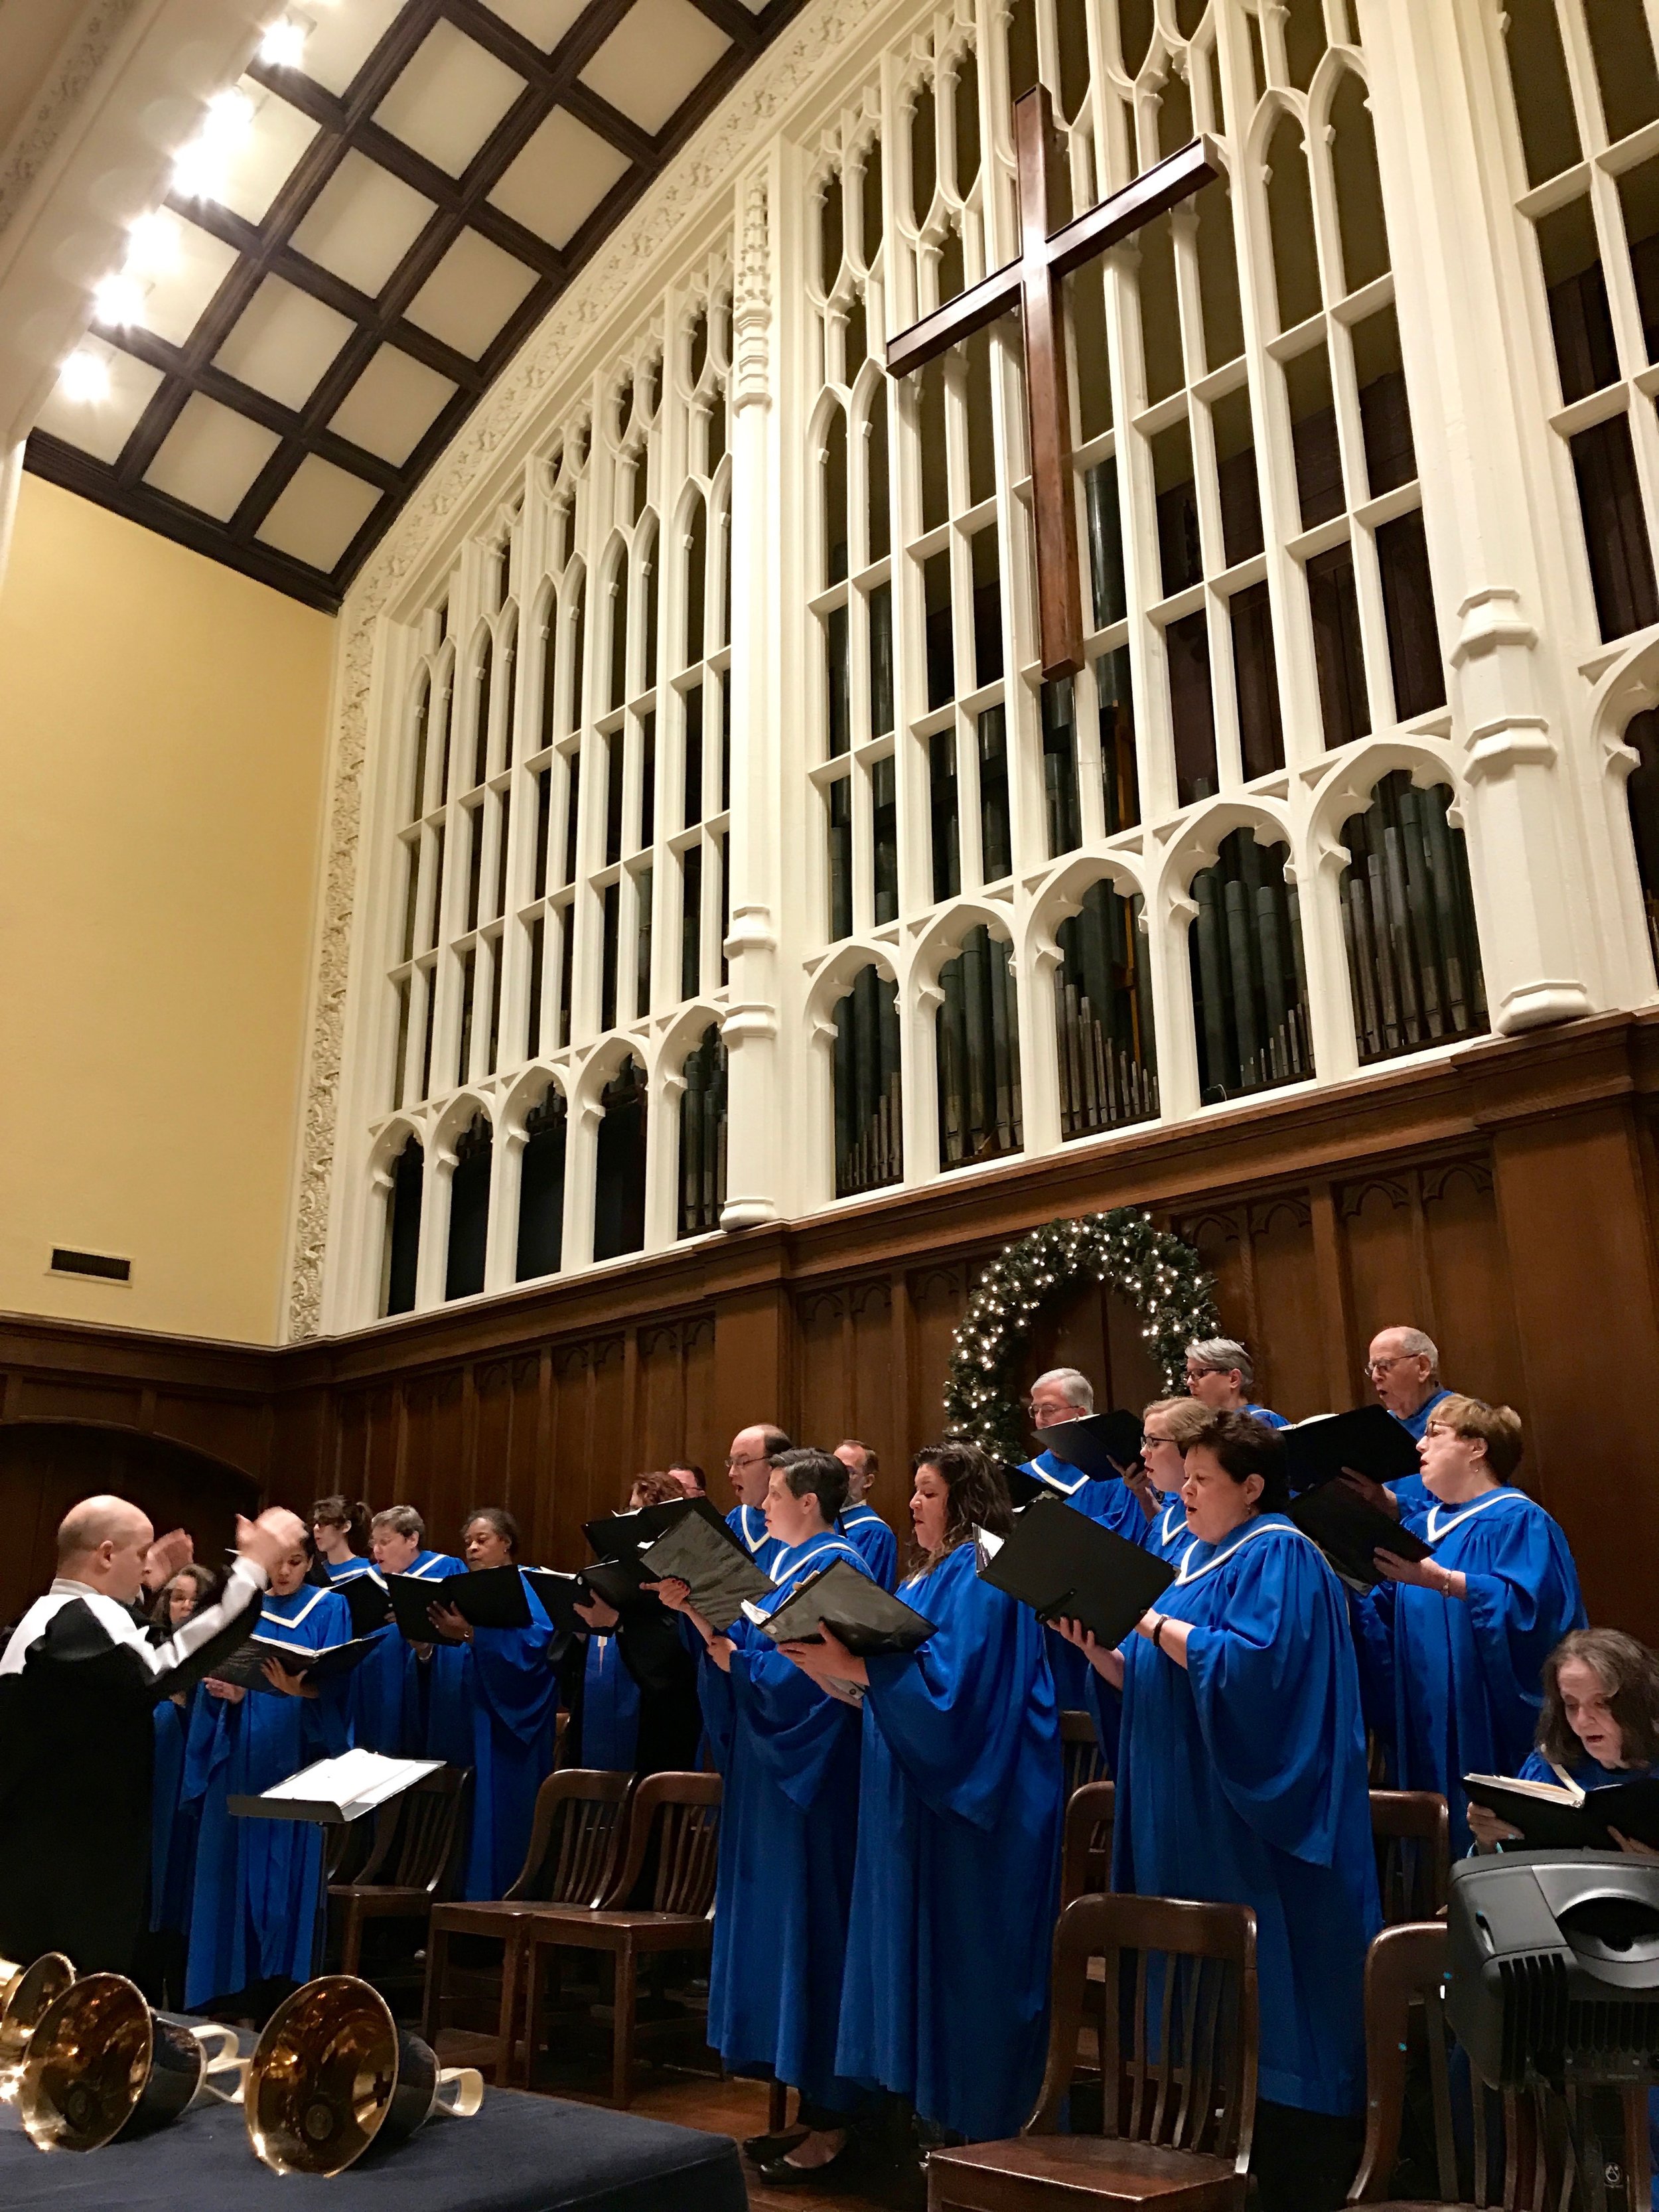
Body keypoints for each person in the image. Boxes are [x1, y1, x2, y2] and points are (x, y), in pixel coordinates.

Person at [1060, 1412, 1381, 2212]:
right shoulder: (1186, 1558)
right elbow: (1157, 1679)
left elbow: (1257, 1675)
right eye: (1187, 1478)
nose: (1187, 1491)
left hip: (1248, 1819)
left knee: (1269, 1986)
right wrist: (1097, 1649)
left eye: (1202, 1479)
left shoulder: (1280, 1552)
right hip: (1182, 1801)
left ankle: (1290, 2158)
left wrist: (1148, 1621)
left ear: (1250, 1487)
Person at [784, 1441, 1064, 2150]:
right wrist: (834, 1672)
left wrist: (863, 1670)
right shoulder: (924, 1578)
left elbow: (955, 1695)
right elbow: (895, 1686)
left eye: (928, 1492)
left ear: (965, 1500)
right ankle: (932, 2136)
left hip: (977, 1805)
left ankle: (990, 2139)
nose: (912, 1505)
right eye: (912, 1491)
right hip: (920, 1793)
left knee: (974, 1971)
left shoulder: (984, 1567)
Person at [654, 1448, 874, 2185]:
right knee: (784, 1937)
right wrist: (696, 1613)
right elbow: (744, 1652)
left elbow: (811, 1678)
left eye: (774, 1491)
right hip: (766, 1783)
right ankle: (808, 2111)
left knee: (815, 1933)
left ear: (809, 1501)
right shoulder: (779, 1566)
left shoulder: (835, 1566)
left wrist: (738, 1662)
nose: (763, 1502)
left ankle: (838, 2118)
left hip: (810, 1789)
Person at [0, 1495, 303, 1977]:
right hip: (72, 1863)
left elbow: (129, 1654)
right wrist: (250, 1571)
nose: (146, 1570)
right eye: (138, 1556)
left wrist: (146, 1587)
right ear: (105, 1554)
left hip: (45, 1851)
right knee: (72, 2005)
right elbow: (164, 1664)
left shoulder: (51, 1615)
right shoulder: (79, 1617)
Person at [1358, 1396, 1585, 1854]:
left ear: (1477, 1447)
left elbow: (1537, 1614)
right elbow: (1385, 1612)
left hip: (1485, 1711)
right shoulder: (1422, 1527)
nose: (1419, 1444)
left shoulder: (1519, 1519)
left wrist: (1443, 1581)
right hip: (1425, 1708)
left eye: (1434, 1433)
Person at [181, 1526, 355, 2011]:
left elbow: (335, 1684)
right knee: (229, 1872)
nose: (283, 1573)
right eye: (276, 1562)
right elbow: (211, 1676)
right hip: (238, 1754)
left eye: (295, 1562)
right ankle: (225, 1991)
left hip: (292, 1756)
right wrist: (231, 1694)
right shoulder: (241, 1606)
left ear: (308, 1561)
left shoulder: (327, 1608)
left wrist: (303, 1692)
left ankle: (279, 1988)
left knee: (283, 1885)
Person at [425, 1507, 560, 1900]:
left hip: (508, 1729)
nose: (472, 1547)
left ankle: (498, 1908)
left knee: (499, 1820)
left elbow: (538, 1647)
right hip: (466, 1721)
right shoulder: (461, 1591)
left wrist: (472, 1635)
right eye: (468, 1541)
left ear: (507, 1543)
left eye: (482, 1540)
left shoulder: (527, 1585)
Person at [1468, 1627, 1659, 1854]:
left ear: (1637, 1703)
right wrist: (1486, 1842)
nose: (1582, 1721)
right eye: (1571, 1705)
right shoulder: (1546, 1768)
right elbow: (1508, 1871)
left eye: (1601, 1703)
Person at [569, 1473, 700, 1773]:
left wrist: (616, 1622)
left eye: (640, 1511)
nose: (629, 1518)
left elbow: (678, 1653)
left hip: (659, 1722)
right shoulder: (614, 1569)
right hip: (601, 1708)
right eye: (629, 1510)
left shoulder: (687, 1573)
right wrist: (579, 1631)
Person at [141, 1564, 221, 2005]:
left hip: (188, 1787)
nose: (185, 1606)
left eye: (195, 1599)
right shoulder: (146, 1646)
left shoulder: (214, 1656)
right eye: (178, 1597)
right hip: (150, 1786)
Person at [362, 1504, 462, 1755]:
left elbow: (460, 1640)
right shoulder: (367, 1583)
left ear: (412, 1539)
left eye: (385, 1542)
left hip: (428, 1689)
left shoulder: (448, 1570)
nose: (376, 1550)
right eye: (374, 1543)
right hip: (379, 1687)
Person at [1367, 1327, 1453, 1516]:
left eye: (1384, 1365)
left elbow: (1470, 1514)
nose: (1375, 1377)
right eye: (1372, 1368)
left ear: (1422, 1367)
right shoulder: (1377, 1427)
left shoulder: (1463, 1424)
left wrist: (1393, 1504)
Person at [1135, 1397, 1212, 1562]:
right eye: (1145, 1442)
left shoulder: (1216, 1530)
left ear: (1190, 1446)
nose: (1143, 1452)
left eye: (1154, 1443)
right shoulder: (1162, 1523)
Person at [725, 1424, 791, 1574]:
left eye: (743, 1462)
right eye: (731, 1463)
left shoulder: (802, 1522)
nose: (732, 1473)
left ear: (775, 1465)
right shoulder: (736, 1520)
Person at [833, 1440, 899, 1590]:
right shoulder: (821, 1520)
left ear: (868, 1481)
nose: (836, 1479)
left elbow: (861, 1593)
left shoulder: (875, 1533)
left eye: (848, 1472)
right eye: (834, 1469)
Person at [1183, 1338, 1288, 1427]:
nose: (1189, 1382)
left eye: (1199, 1373)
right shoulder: (1203, 1428)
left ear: (1234, 1378)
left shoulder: (1263, 1423)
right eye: (1189, 1375)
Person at [311, 1495, 374, 1576]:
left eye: (323, 1523)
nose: (316, 1528)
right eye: (314, 1523)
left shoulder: (366, 1572)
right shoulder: (315, 1572)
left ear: (346, 1527)